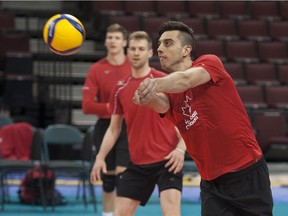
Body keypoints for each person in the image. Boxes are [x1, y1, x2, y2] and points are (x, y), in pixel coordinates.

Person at [135, 21, 273, 216]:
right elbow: (161, 104)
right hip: (212, 183)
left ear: (186, 50)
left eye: (167, 43)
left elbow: (186, 80)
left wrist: (153, 84)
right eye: (158, 45)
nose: (159, 49)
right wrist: (143, 96)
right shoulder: (170, 92)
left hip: (246, 173)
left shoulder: (209, 63)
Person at [90, 31, 186, 216]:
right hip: (137, 163)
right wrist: (100, 157)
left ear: (150, 53)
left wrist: (181, 149)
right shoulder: (120, 88)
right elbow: (114, 128)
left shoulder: (164, 81)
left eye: (141, 49)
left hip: (167, 162)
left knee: (171, 213)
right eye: (132, 49)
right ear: (127, 53)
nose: (136, 53)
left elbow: (185, 121)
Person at [82, 23, 131, 216]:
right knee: (108, 180)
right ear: (105, 41)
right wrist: (113, 108)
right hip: (105, 126)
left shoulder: (132, 66)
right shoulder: (97, 69)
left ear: (125, 42)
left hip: (128, 126)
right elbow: (87, 106)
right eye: (110, 37)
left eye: (117, 38)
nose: (113, 41)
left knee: (123, 177)